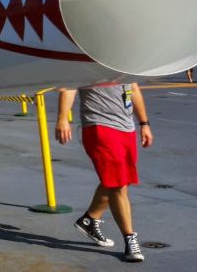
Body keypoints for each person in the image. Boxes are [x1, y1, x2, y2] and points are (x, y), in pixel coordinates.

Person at [56, 83, 152, 263]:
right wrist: (63, 118)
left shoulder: (124, 62)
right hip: (99, 126)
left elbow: (134, 88)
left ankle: (90, 219)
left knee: (121, 180)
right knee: (118, 185)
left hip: (126, 127)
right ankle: (130, 239)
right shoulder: (89, 59)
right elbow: (69, 84)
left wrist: (144, 123)